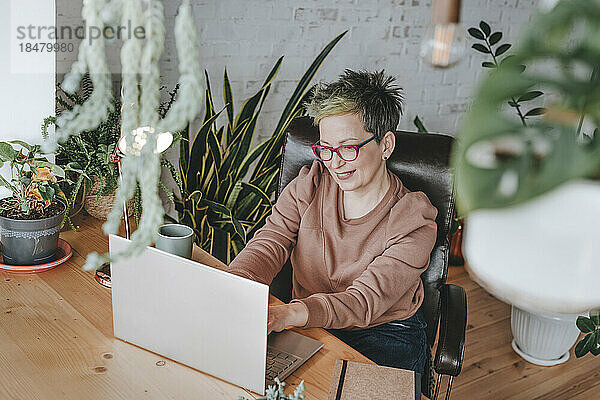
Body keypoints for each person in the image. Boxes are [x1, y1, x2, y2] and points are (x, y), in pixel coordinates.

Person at [227, 69, 437, 375]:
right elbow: (270, 242)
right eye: (326, 148)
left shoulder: (413, 219)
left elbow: (364, 302)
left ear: (385, 146)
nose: (334, 162)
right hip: (308, 318)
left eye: (348, 148)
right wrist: (234, 285)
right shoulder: (309, 185)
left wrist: (294, 312)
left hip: (384, 332)